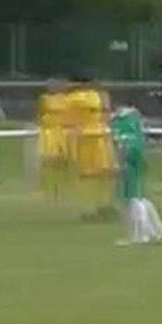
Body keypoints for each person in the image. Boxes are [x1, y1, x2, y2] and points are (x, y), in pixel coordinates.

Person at [110, 103, 162, 246]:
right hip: (136, 159)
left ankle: (140, 235)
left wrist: (120, 161)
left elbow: (124, 143)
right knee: (138, 196)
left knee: (132, 198)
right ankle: (154, 231)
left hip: (130, 160)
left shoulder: (121, 122)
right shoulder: (134, 120)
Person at [66, 75, 116, 220]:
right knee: (88, 175)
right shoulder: (76, 98)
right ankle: (90, 208)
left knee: (105, 173)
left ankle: (103, 205)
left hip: (100, 136)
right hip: (86, 138)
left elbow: (105, 115)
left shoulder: (98, 96)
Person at [37, 79, 69, 200]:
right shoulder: (44, 98)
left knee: (62, 161)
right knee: (48, 161)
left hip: (62, 131)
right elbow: (40, 113)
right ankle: (48, 187)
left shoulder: (66, 99)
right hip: (48, 132)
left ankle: (61, 187)